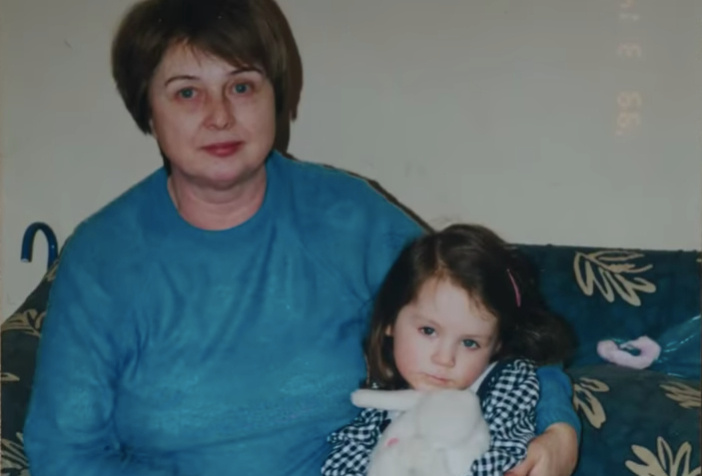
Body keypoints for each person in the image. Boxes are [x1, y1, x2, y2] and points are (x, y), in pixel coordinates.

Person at [22, 1, 580, 476]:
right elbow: (64, 455)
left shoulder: (347, 216)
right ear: (148, 106)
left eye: (242, 86)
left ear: (277, 95)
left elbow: (495, 327)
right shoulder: (101, 259)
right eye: (187, 93)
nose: (219, 116)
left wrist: (558, 431)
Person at [322, 224, 575, 476]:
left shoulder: (505, 383)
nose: (445, 359)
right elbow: (342, 461)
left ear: (496, 345)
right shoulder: (379, 404)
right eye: (428, 331)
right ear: (390, 320)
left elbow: (507, 454)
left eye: (469, 343)